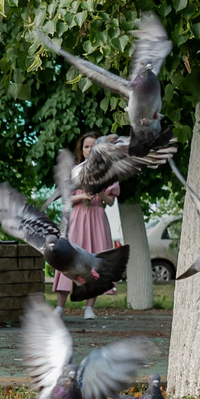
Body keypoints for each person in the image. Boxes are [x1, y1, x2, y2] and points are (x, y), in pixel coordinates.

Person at [60, 134, 118, 321]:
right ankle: (60, 307)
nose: (90, 150)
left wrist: (100, 191)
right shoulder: (74, 171)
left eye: (93, 147)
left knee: (95, 259)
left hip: (97, 218)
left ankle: (89, 308)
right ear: (81, 149)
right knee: (68, 258)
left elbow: (110, 201)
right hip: (77, 218)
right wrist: (82, 196)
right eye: (86, 146)